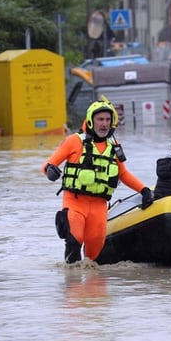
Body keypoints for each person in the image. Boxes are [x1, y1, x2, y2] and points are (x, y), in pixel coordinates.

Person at [42, 100, 152, 264]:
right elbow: (48, 165)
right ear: (91, 121)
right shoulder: (73, 141)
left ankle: (93, 288)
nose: (104, 124)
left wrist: (144, 190)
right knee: (74, 239)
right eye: (100, 119)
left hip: (99, 206)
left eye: (107, 120)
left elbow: (123, 174)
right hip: (75, 202)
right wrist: (51, 171)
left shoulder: (114, 146)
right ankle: (72, 284)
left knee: (94, 252)